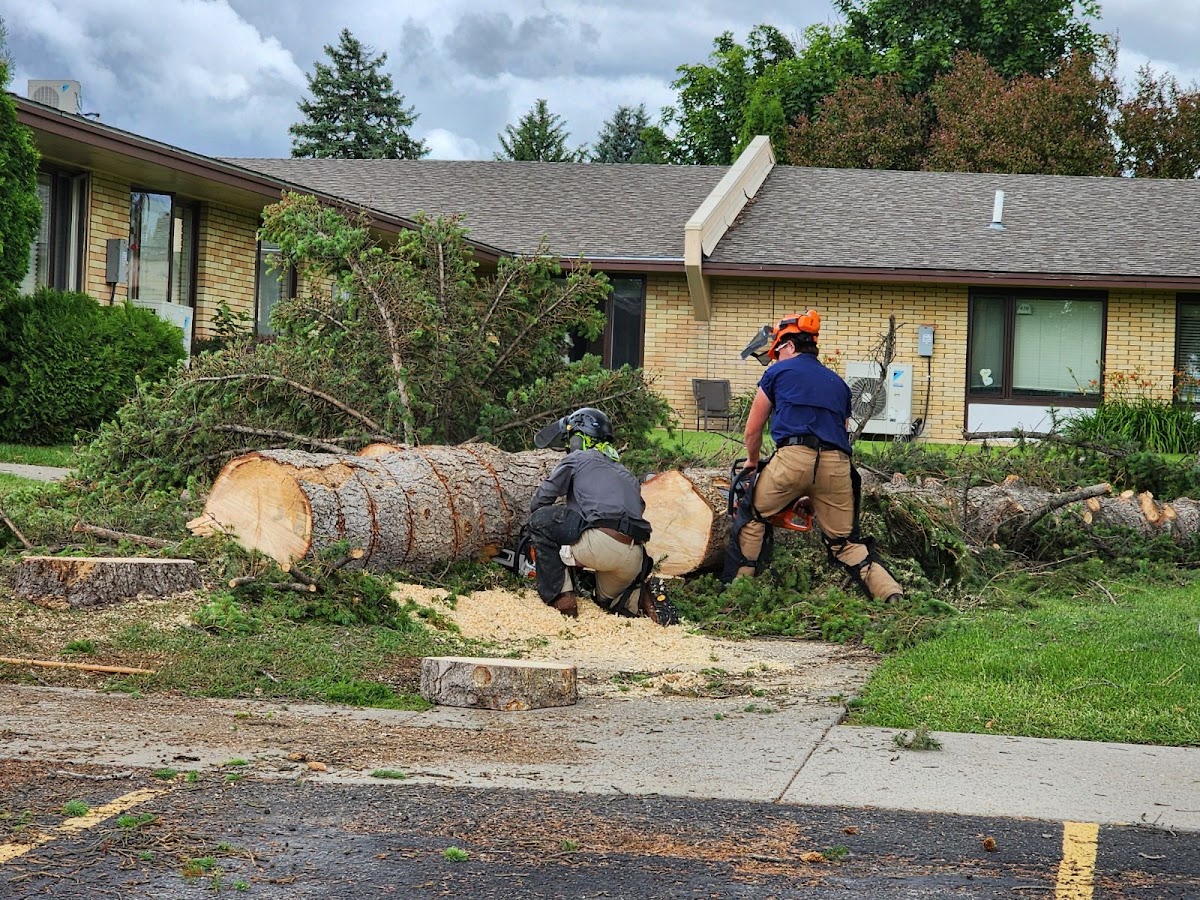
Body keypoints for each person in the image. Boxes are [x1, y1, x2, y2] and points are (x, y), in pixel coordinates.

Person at [725, 309, 904, 603]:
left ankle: (737, 593)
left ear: (789, 346)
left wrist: (753, 462)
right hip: (837, 467)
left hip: (792, 459)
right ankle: (891, 594)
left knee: (752, 516)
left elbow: (752, 430)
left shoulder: (776, 373)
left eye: (777, 352)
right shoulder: (839, 384)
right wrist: (812, 488)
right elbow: (840, 432)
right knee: (845, 542)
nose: (775, 358)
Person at [527, 407, 660, 620]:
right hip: (633, 557)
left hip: (599, 548)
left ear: (578, 439)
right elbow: (638, 508)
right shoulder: (626, 474)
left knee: (540, 520)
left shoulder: (577, 458)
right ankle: (637, 600)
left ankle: (563, 598)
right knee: (610, 605)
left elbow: (541, 500)